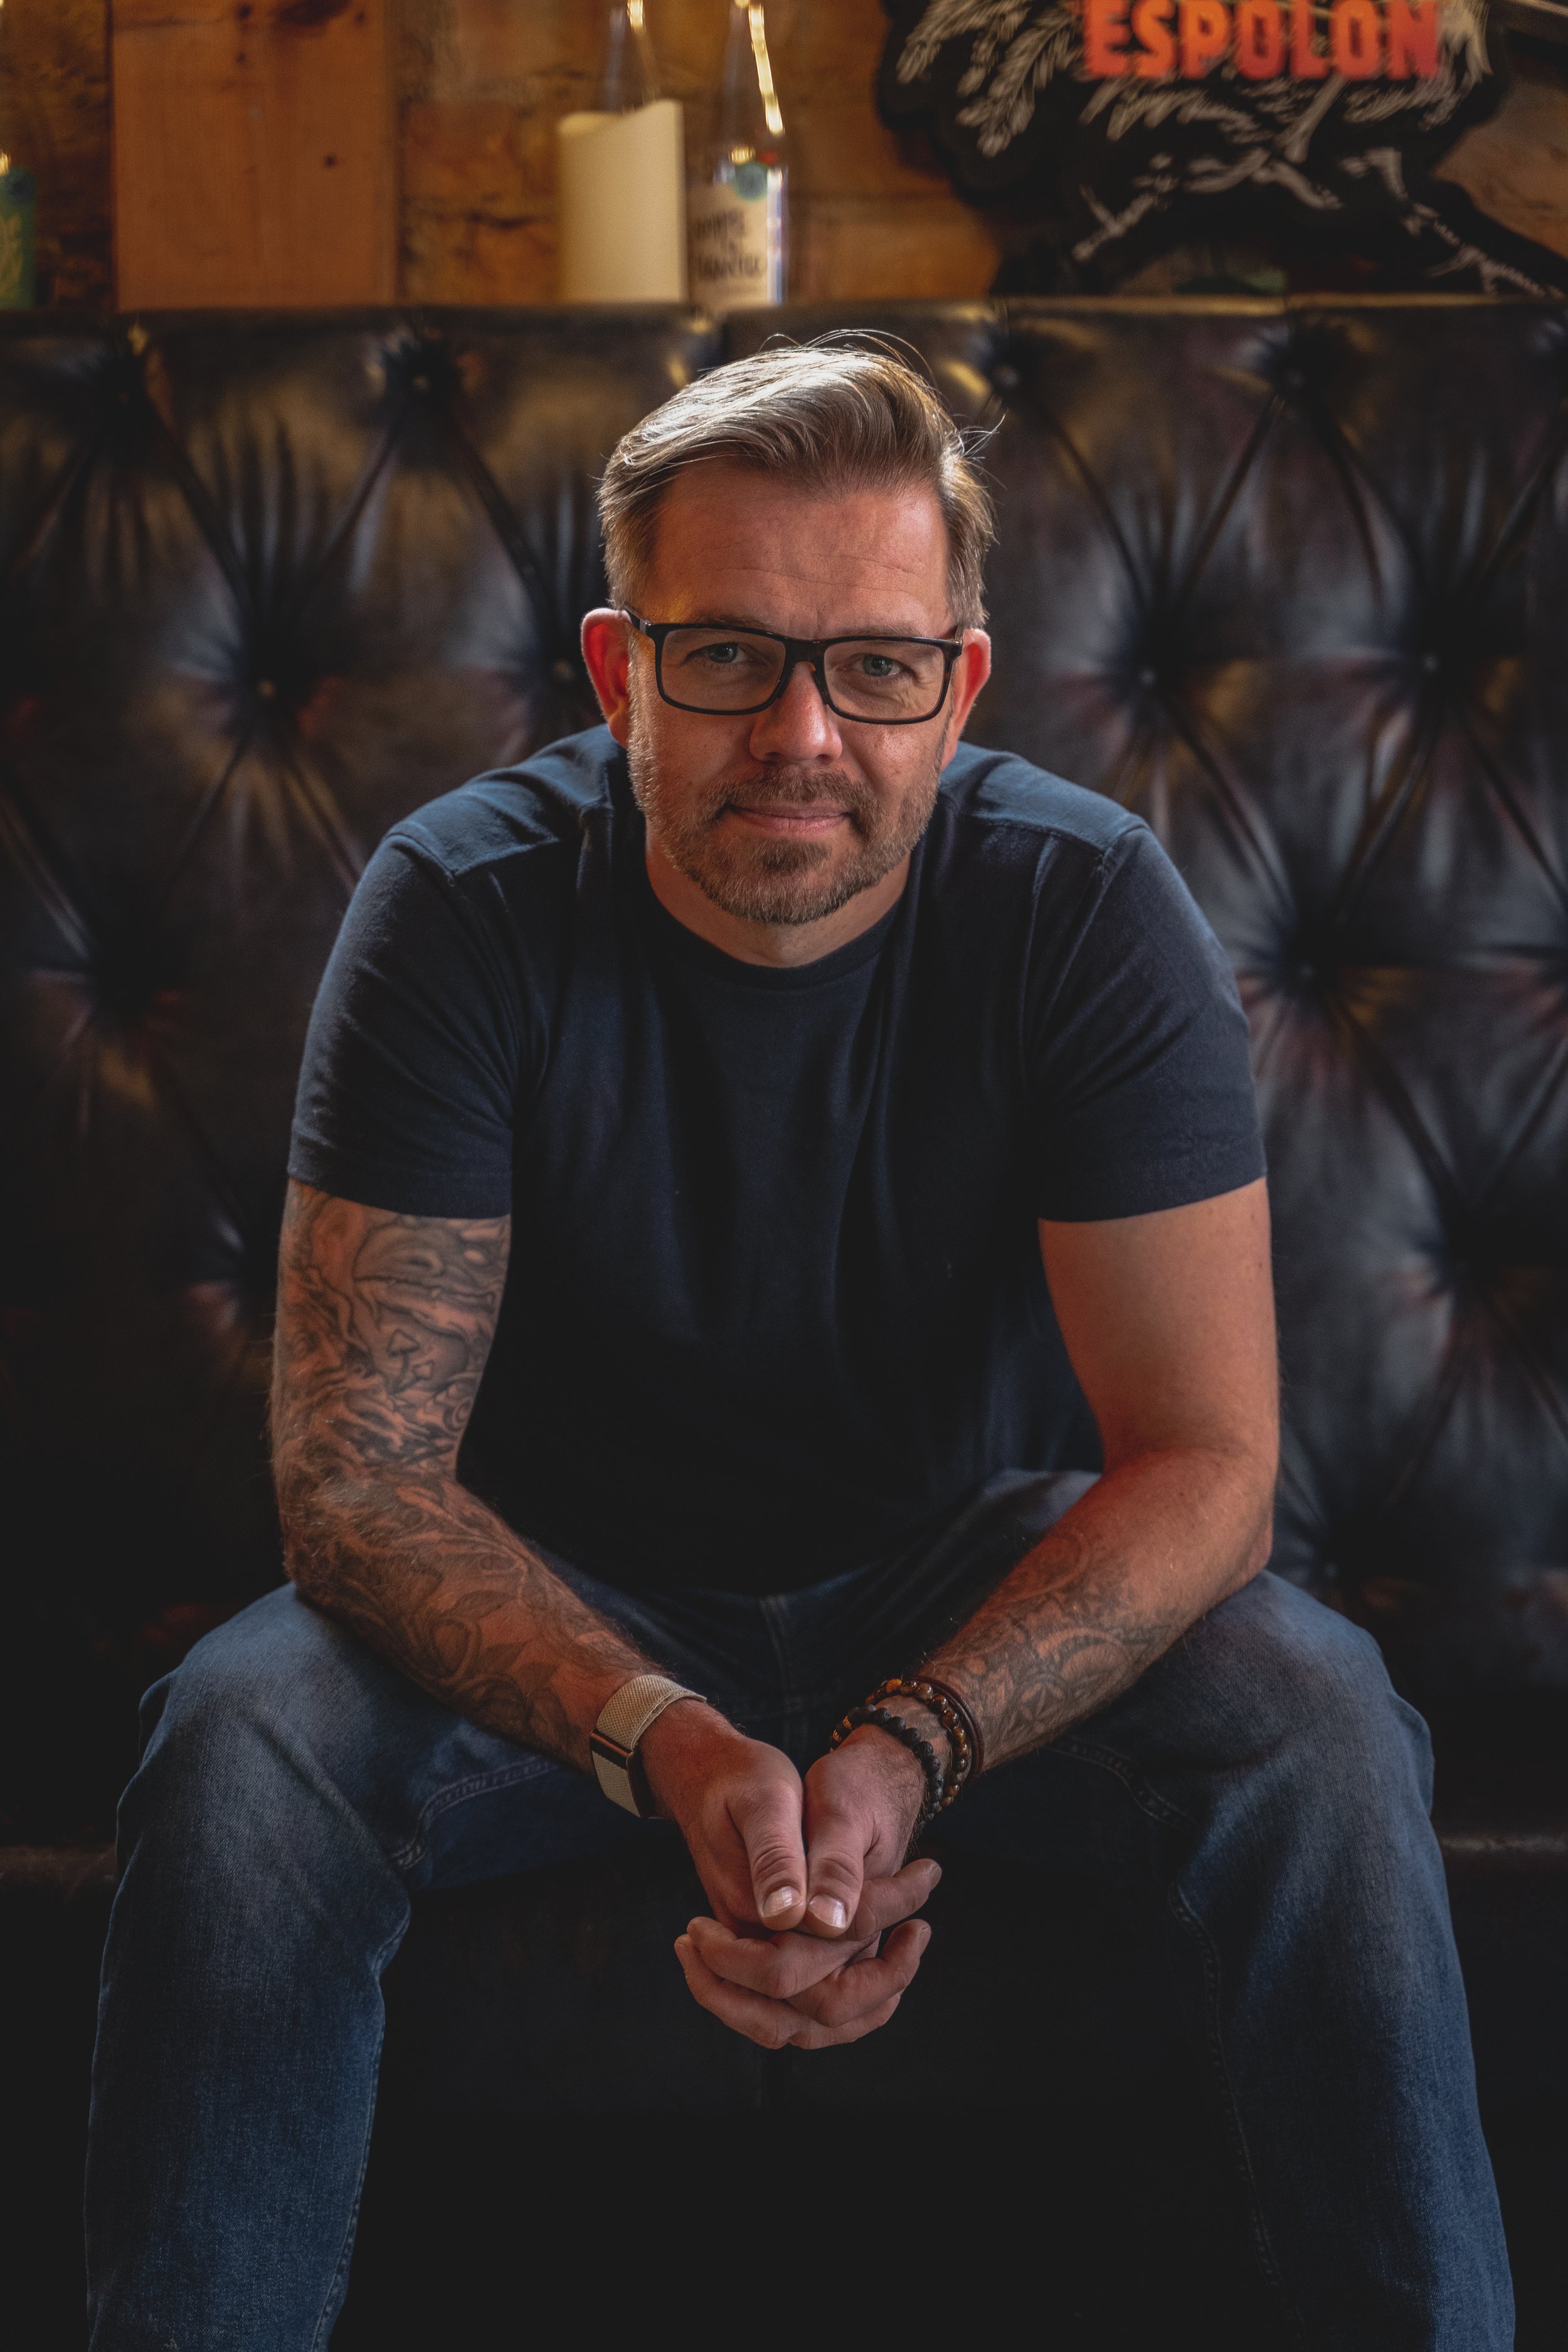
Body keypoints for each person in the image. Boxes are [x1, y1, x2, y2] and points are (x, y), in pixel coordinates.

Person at [84, 339, 1511, 2348]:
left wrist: (908, 1746)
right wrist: (668, 1739)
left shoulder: (1084, 904)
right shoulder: (460, 903)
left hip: (966, 1571)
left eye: (875, 666)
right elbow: (359, 1484)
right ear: (618, 671)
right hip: (558, 1580)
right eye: (730, 656)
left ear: (960, 684)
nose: (804, 734)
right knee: (239, 1739)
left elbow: (1205, 1465)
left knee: (1322, 1715)